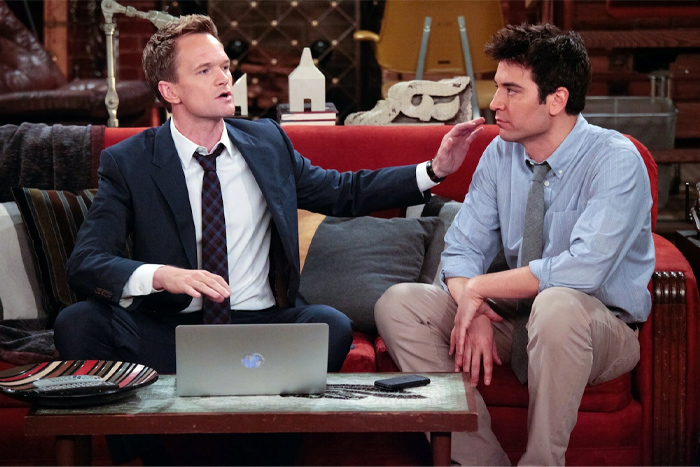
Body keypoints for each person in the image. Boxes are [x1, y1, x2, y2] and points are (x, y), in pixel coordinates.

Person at [52, 13, 483, 465]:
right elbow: (86, 261)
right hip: (171, 333)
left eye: (224, 66)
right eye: (205, 70)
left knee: (329, 325)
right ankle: (153, 459)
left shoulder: (266, 142)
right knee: (79, 323)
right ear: (170, 91)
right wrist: (161, 275)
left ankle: (263, 457)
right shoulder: (131, 161)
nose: (224, 78)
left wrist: (434, 170)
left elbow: (343, 191)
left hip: (259, 328)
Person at [375, 23, 654, 466]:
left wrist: (482, 289)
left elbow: (583, 270)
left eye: (511, 90)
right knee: (400, 303)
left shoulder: (616, 161)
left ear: (556, 100)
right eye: (498, 87)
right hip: (516, 320)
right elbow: (461, 251)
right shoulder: (500, 152)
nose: (495, 103)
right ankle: (481, 462)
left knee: (558, 304)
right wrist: (472, 305)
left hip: (599, 329)